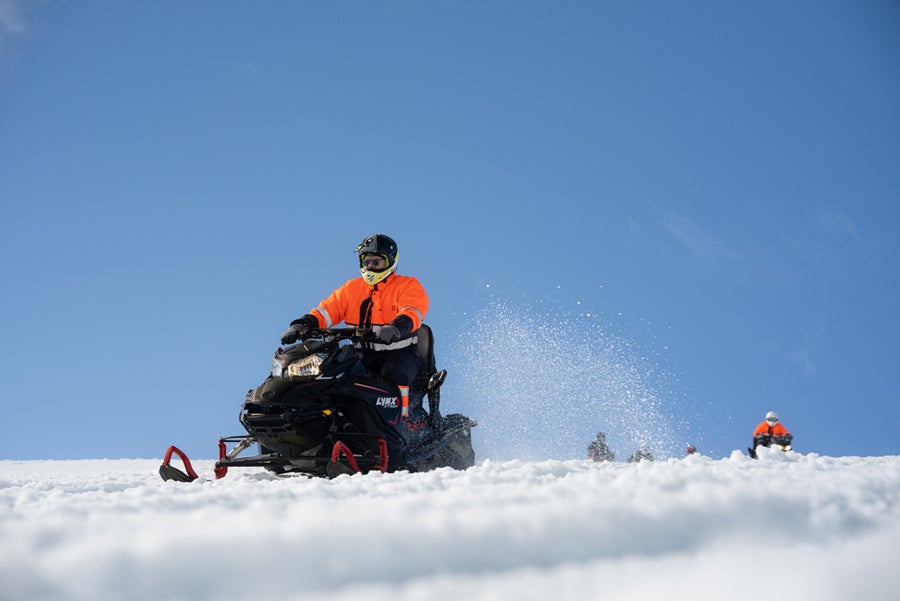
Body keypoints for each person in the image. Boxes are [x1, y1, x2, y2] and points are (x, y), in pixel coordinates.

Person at [279, 233, 428, 420]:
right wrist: (301, 325)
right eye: (366, 262)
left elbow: (412, 311)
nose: (370, 267)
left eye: (376, 262)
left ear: (391, 262)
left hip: (399, 354)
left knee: (394, 377)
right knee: (329, 376)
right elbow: (327, 311)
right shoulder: (351, 289)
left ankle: (403, 426)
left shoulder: (407, 285)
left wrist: (396, 327)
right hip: (360, 355)